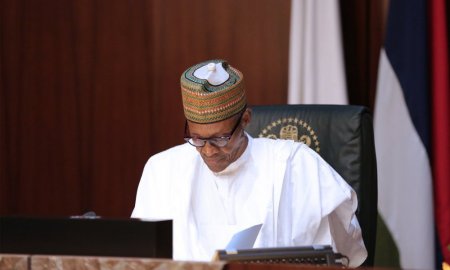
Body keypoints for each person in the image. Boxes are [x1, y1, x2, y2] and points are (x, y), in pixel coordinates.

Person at [131, 59, 367, 267]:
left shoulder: (295, 164)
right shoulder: (162, 170)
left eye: (220, 138)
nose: (209, 151)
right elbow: (139, 260)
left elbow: (346, 253)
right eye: (198, 138)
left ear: (245, 119)